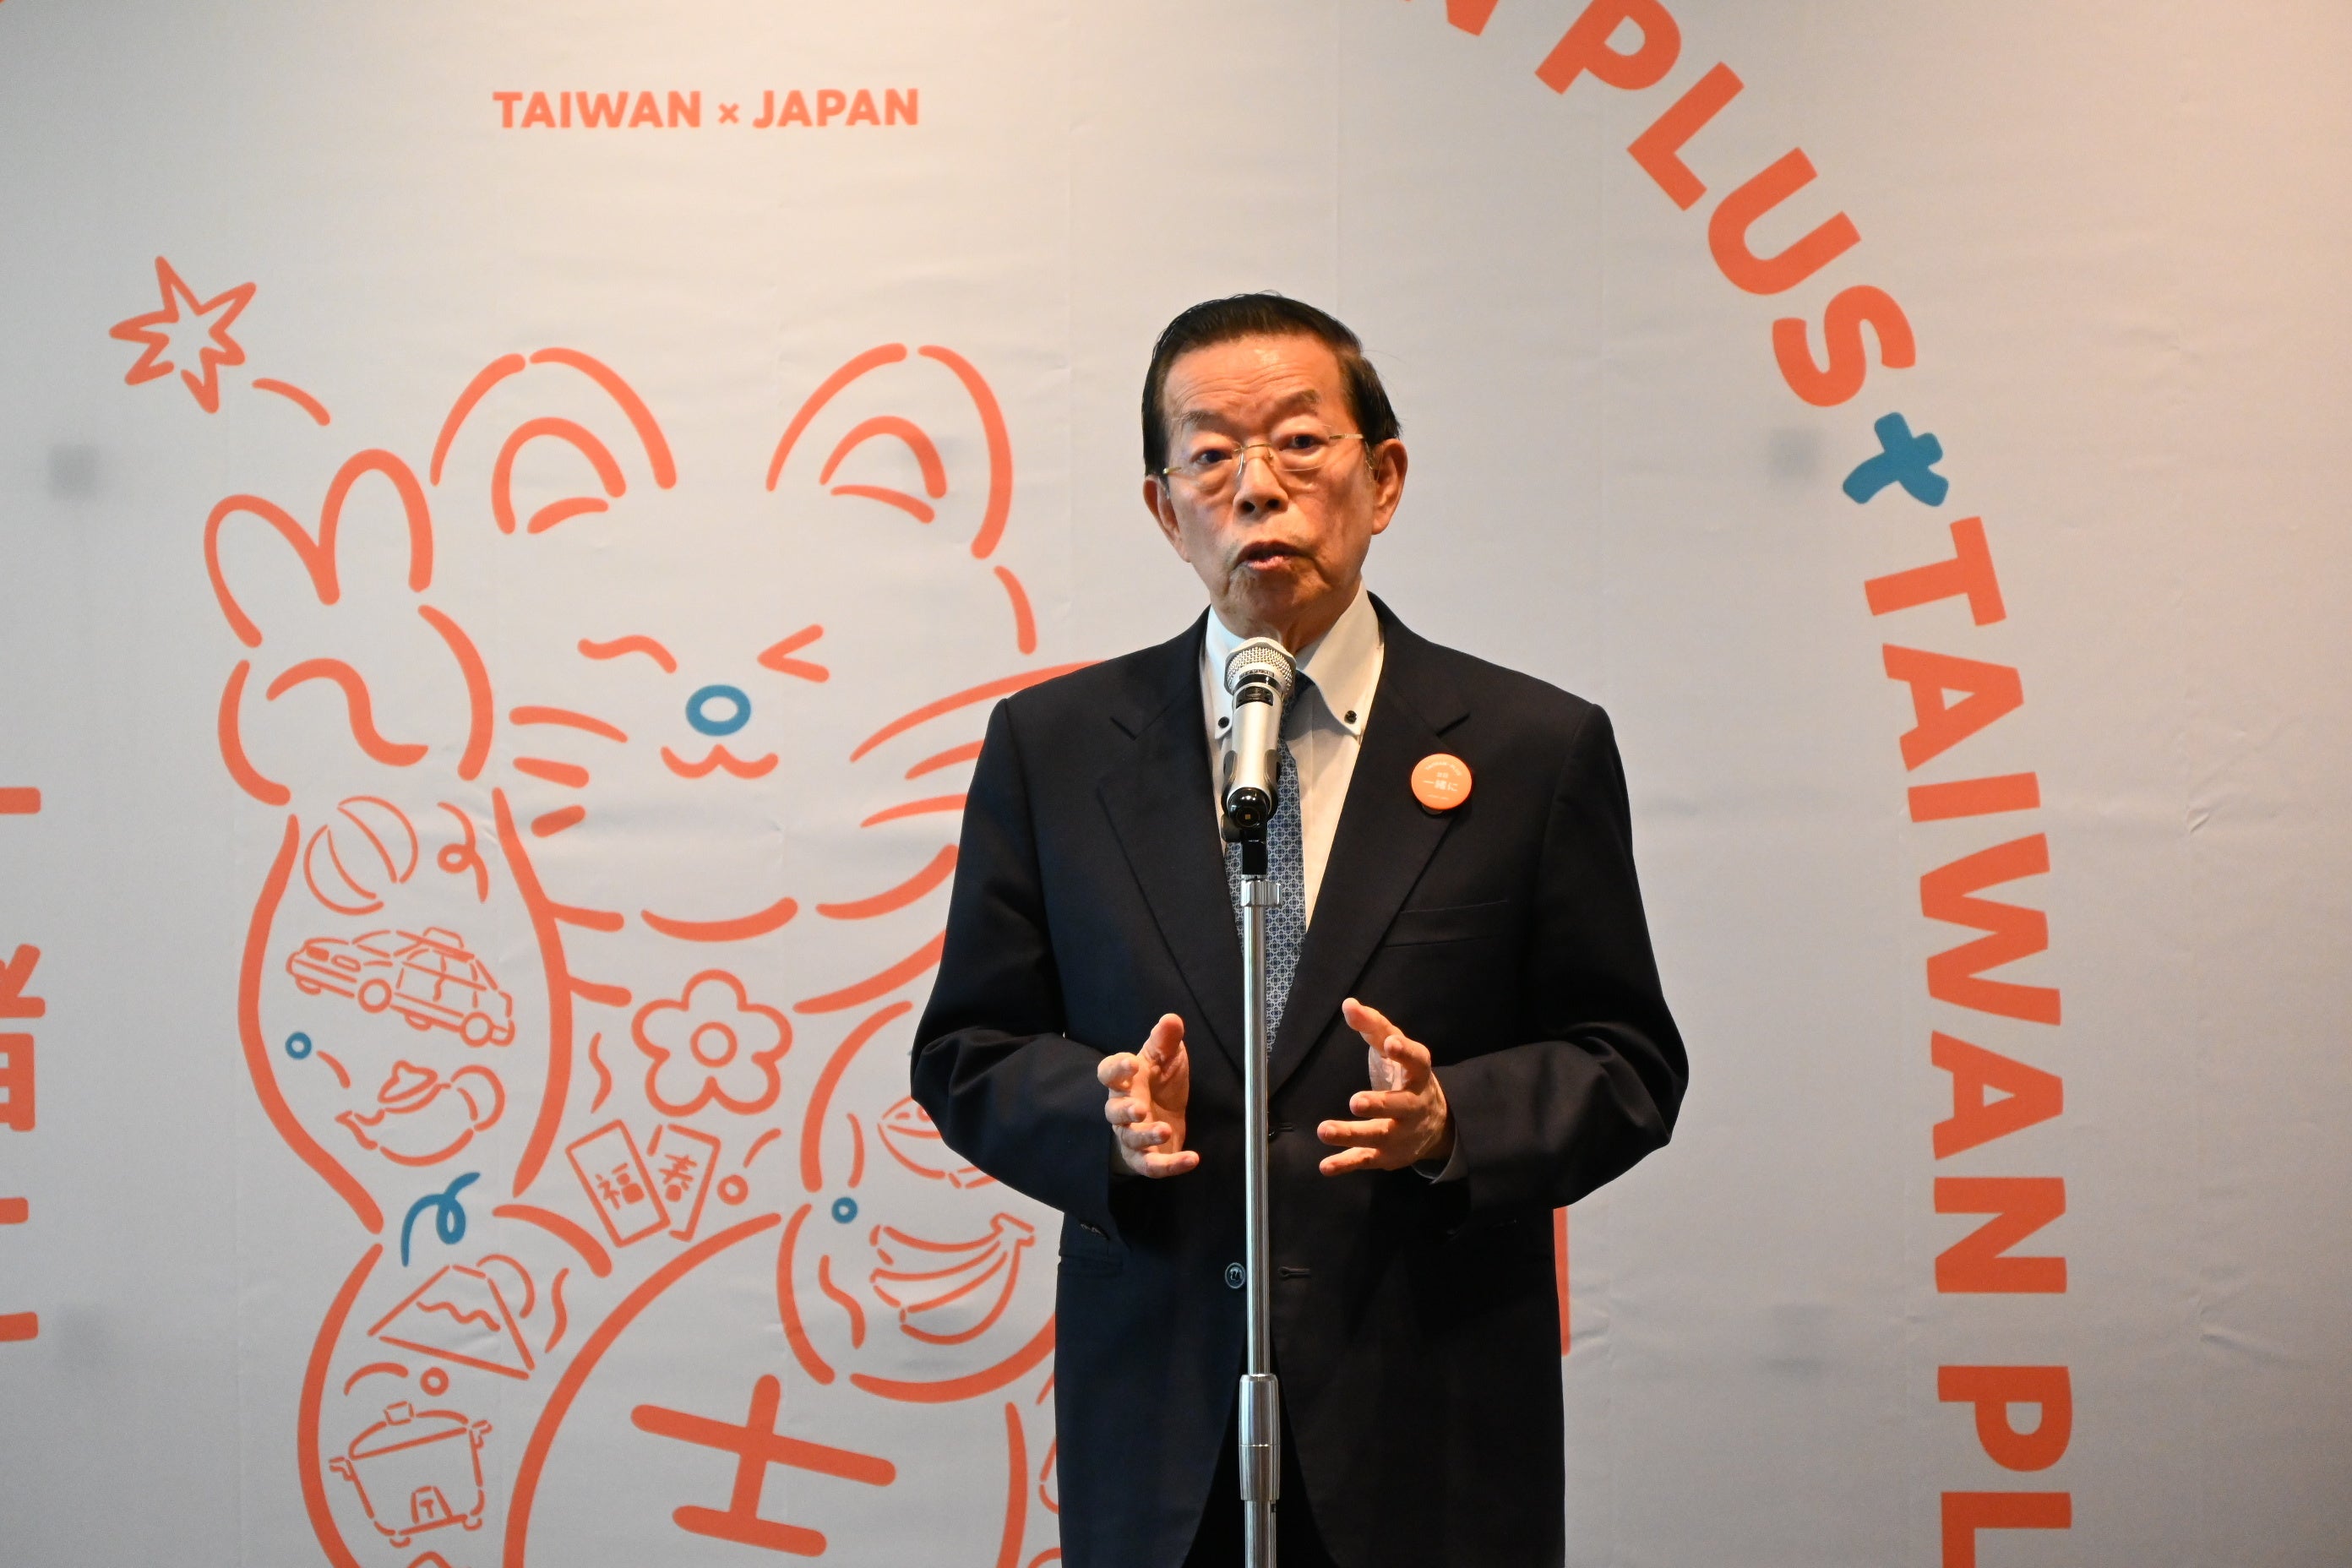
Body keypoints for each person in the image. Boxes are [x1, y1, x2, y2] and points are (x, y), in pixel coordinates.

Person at [911, 294, 1686, 1568]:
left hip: (1430, 1423)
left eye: (1299, 443)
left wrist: (1453, 1121)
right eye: (1211, 455)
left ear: (1384, 479)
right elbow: (968, 1049)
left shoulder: (1532, 749)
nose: (1257, 487)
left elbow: (1626, 1059)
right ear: (1164, 509)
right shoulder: (1055, 750)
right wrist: (1102, 1119)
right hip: (1160, 1426)